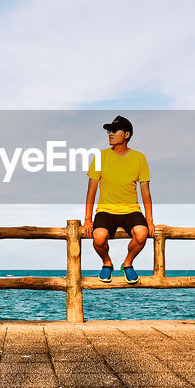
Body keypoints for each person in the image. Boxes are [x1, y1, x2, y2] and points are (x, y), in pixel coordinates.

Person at [83, 115, 152, 284]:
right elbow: (91, 190)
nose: (110, 134)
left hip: (131, 210)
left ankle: (127, 264)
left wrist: (149, 220)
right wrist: (87, 219)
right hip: (105, 211)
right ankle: (107, 263)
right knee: (98, 237)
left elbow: (146, 192)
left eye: (114, 130)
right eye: (108, 131)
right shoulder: (100, 157)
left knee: (142, 234)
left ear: (126, 134)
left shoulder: (139, 158)